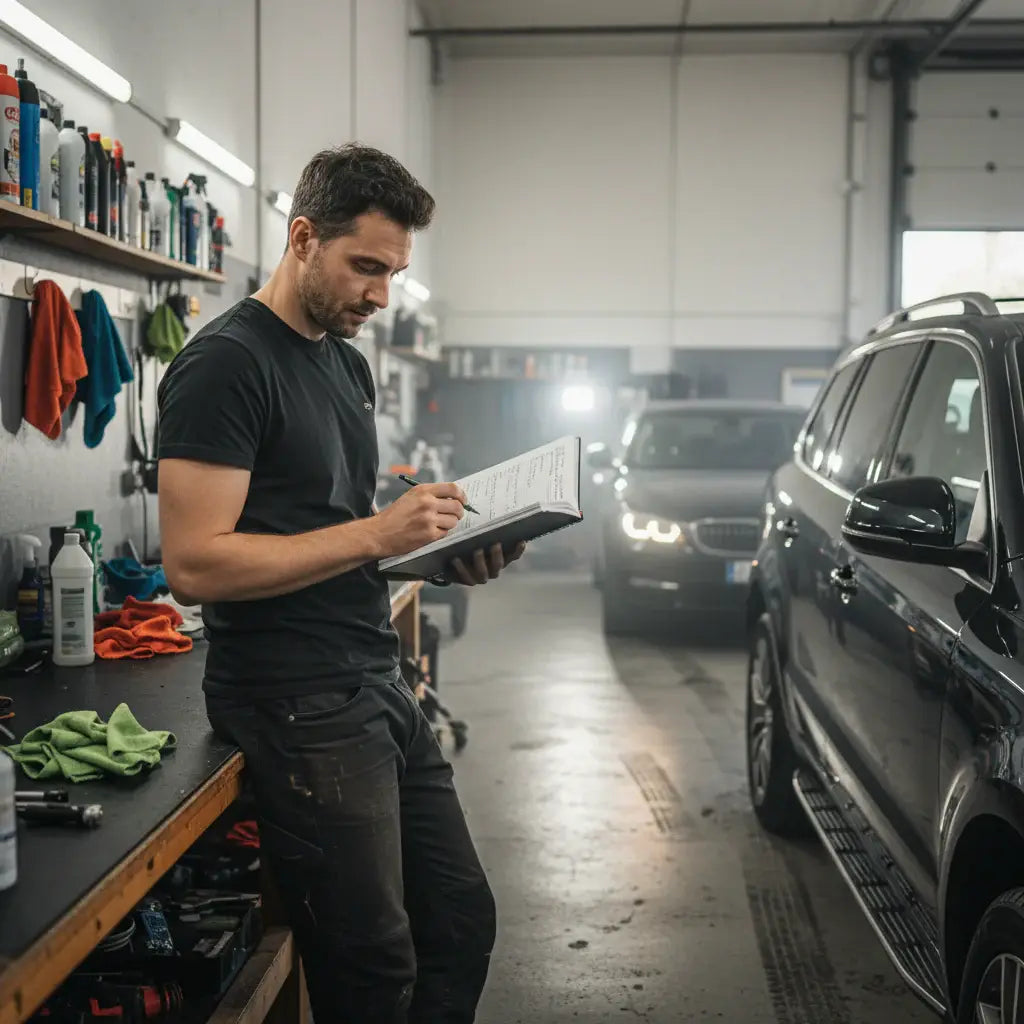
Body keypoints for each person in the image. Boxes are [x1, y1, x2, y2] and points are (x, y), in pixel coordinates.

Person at [156, 144, 523, 1023]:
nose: (380, 295)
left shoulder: (343, 363)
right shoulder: (225, 366)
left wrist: (441, 549)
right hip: (294, 700)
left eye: (394, 273)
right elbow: (195, 562)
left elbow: (325, 528)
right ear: (302, 238)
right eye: (366, 267)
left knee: (461, 922)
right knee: (370, 969)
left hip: (371, 679)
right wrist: (376, 531)